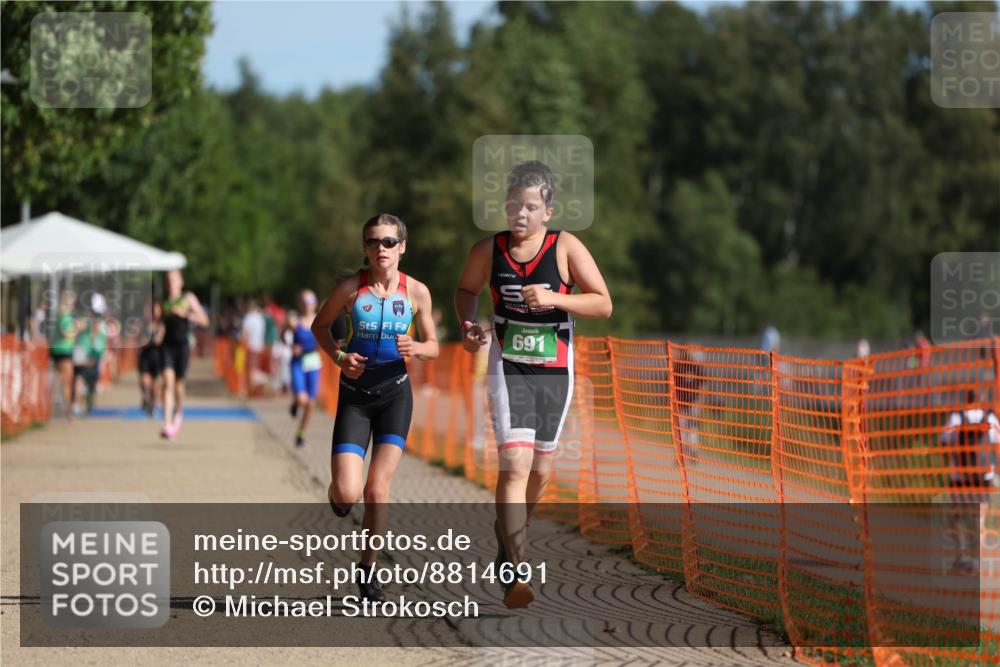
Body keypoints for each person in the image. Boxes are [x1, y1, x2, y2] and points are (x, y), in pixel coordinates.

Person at [455, 161, 612, 608]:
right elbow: (465, 291)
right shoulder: (488, 250)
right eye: (512, 205)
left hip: (555, 368)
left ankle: (509, 536)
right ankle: (516, 571)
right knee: (515, 465)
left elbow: (603, 303)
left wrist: (554, 297)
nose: (519, 214)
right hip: (509, 365)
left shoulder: (565, 247)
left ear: (548, 210)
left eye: (530, 206)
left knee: (541, 471)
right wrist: (468, 323)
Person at [312, 213, 439, 602]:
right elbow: (320, 326)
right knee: (348, 493)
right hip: (355, 398)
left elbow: (433, 345)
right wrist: (338, 357)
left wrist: (417, 348)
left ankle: (369, 570)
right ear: (364, 249)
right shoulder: (351, 289)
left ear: (402, 247)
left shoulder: (416, 292)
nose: (380, 249)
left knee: (377, 489)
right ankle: (337, 498)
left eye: (387, 242)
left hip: (395, 397)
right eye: (372, 242)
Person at [941, 389, 1000, 574]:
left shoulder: (956, 417)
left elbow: (945, 442)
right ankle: (977, 559)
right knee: (978, 518)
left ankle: (963, 557)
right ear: (982, 399)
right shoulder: (990, 418)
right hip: (982, 477)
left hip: (959, 476)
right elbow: (997, 443)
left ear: (966, 399)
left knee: (957, 516)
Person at [160, 269, 210, 439]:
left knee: (179, 385)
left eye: (173, 279)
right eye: (167, 279)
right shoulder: (164, 302)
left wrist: (186, 314)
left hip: (182, 346)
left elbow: (205, 320)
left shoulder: (188, 298)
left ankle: (178, 413)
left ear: (181, 282)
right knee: (167, 382)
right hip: (166, 345)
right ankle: (166, 423)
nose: (170, 283)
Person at [289, 291, 322, 447]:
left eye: (309, 301)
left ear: (314, 303)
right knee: (302, 400)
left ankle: (301, 432)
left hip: (314, 363)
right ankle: (296, 402)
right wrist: (291, 346)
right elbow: (282, 335)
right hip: (298, 363)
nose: (307, 304)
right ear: (300, 304)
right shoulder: (294, 322)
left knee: (310, 403)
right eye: (304, 301)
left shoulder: (320, 320)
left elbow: (328, 339)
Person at [72, 293, 108, 416]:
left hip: (84, 351)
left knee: (83, 379)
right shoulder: (93, 321)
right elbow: (93, 335)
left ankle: (81, 405)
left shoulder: (88, 319)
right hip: (88, 352)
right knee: (82, 379)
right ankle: (78, 405)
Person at [49, 290, 80, 420]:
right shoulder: (66, 318)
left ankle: (49, 412)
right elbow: (67, 334)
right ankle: (68, 412)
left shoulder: (58, 316)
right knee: (66, 383)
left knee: (56, 382)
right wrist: (77, 328)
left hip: (56, 351)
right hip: (65, 352)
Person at [138, 301, 164, 417]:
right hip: (146, 356)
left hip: (158, 356)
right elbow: (141, 341)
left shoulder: (162, 325)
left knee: (156, 383)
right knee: (145, 381)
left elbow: (160, 340)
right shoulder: (144, 324)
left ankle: (154, 404)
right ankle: (146, 397)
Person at [241, 299, 267, 395]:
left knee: (252, 368)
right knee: (257, 368)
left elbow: (245, 333)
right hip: (260, 346)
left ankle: (252, 388)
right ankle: (259, 386)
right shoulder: (260, 318)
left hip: (251, 346)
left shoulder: (248, 318)